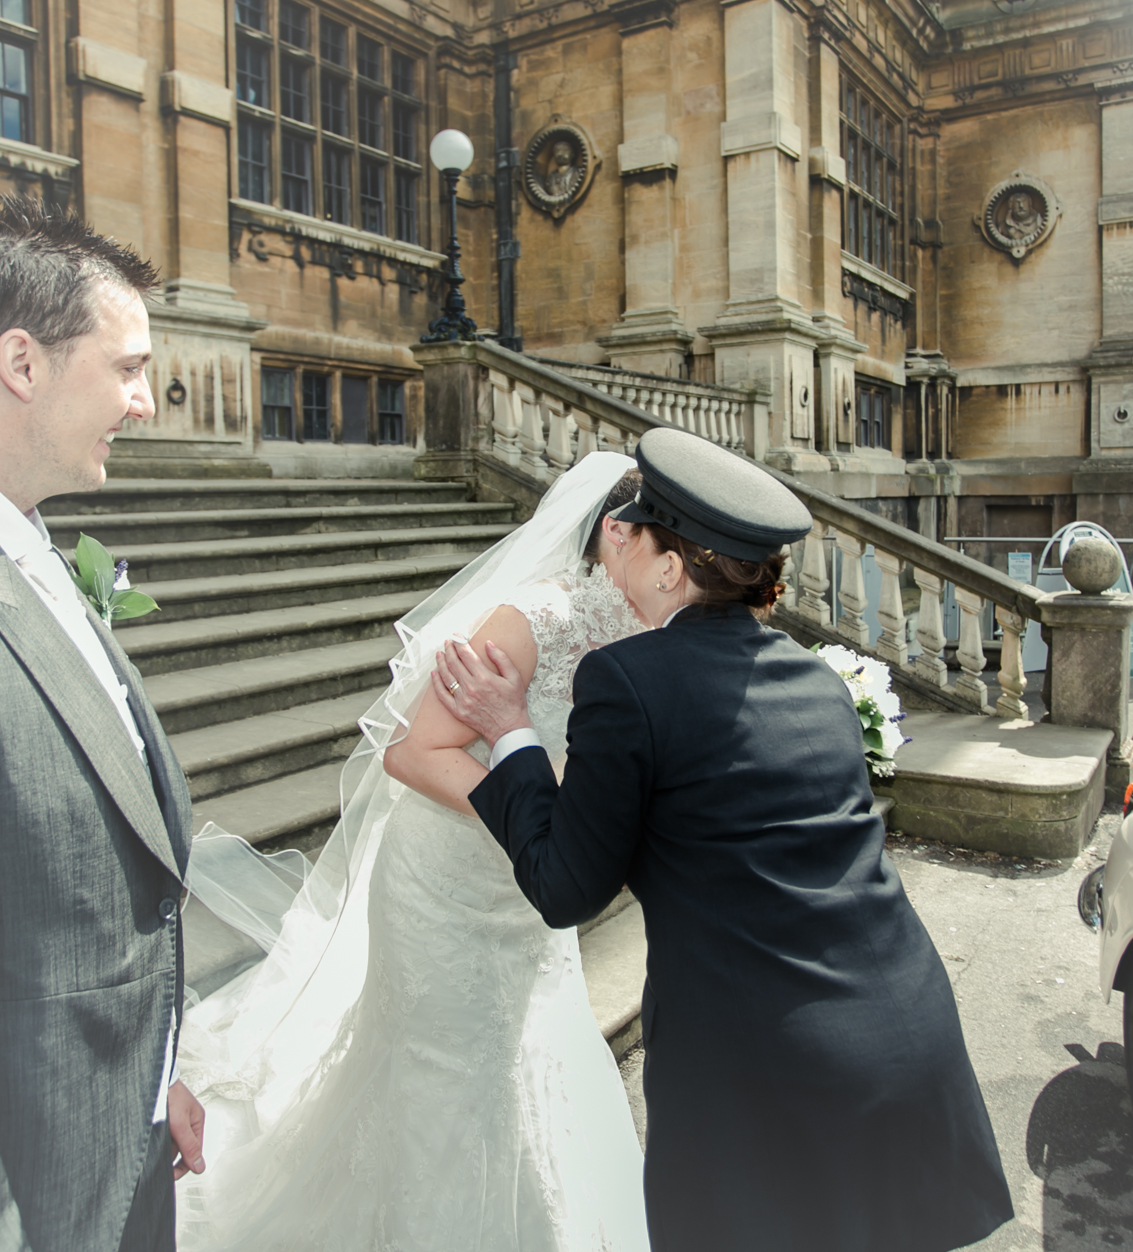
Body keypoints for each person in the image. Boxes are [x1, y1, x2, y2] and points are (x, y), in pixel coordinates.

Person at [437, 426, 1016, 1252]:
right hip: (907, 1040)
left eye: (635, 535)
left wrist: (510, 734)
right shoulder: (817, 678)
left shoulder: (627, 682)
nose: (617, 553)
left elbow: (565, 886)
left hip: (767, 1085)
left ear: (672, 566)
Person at [173, 451, 651, 1251]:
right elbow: (411, 751)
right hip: (445, 882)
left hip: (528, 888)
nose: (680, 562)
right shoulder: (529, 618)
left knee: (534, 1061)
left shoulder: (648, 626)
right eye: (664, 539)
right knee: (442, 1071)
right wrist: (546, 811)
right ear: (615, 534)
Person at [0, 195, 205, 1252]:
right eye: (126, 369)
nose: (145, 402)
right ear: (23, 364)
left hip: (122, 1142)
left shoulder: (37, 550)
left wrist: (157, 1073)